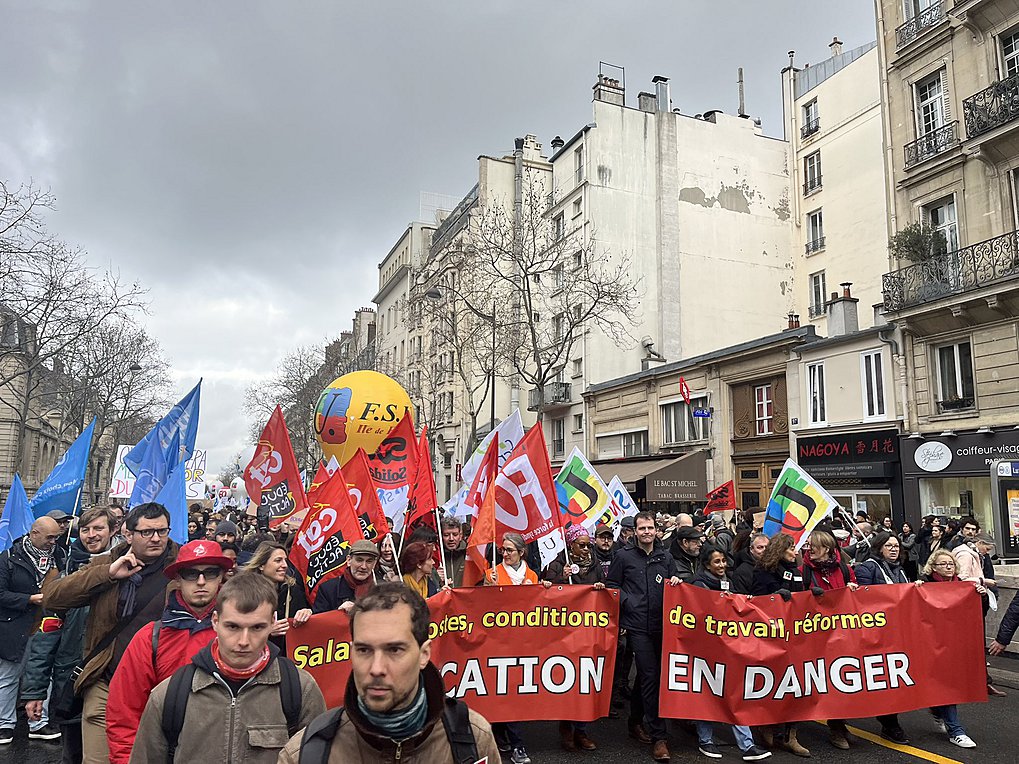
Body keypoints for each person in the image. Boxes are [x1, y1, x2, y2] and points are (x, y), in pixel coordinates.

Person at [278, 581, 500, 763]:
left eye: (394, 650)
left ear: (424, 654)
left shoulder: (472, 738)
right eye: (364, 650)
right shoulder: (305, 754)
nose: (376, 669)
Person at [129, 572, 325, 762]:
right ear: (215, 621)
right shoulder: (170, 694)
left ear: (273, 623)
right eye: (233, 627)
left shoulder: (300, 689)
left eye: (257, 627)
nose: (243, 641)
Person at [43, 503, 179, 764]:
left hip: (162, 686)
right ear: (129, 534)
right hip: (107, 679)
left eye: (162, 531)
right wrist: (108, 574)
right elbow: (53, 597)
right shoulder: (107, 562)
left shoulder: (184, 568)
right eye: (147, 532)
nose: (156, 538)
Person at [105, 540, 234, 762]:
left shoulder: (243, 632)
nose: (201, 581)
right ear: (178, 578)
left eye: (210, 572)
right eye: (190, 574)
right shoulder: (150, 637)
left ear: (222, 576)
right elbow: (124, 713)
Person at [22, 507, 115, 761]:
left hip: (111, 683)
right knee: (73, 754)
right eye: (86, 530)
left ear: (113, 531)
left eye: (99, 528)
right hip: (71, 682)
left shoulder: (128, 576)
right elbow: (46, 637)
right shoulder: (65, 578)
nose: (92, 535)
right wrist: (35, 692)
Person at [606, 511, 680, 762]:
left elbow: (673, 584)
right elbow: (612, 585)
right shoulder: (623, 557)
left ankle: (634, 721)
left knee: (648, 677)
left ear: (656, 530)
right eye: (642, 528)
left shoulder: (666, 557)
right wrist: (629, 604)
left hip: (662, 626)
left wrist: (678, 584)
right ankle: (659, 736)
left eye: (650, 528)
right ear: (634, 531)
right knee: (649, 676)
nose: (647, 532)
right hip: (637, 626)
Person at [691, 546, 771, 762]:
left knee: (735, 693)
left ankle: (747, 744)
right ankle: (705, 739)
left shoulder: (730, 581)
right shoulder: (699, 585)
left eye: (723, 561)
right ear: (707, 564)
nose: (722, 566)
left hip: (730, 646)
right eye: (716, 562)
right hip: (707, 649)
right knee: (706, 694)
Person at [0, 516, 63, 745]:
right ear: (34, 533)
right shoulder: (8, 558)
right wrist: (29, 599)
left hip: (46, 627)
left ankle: (38, 723)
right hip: (14, 628)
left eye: (56, 537)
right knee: (9, 677)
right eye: (49, 537)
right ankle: (5, 725)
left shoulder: (58, 556)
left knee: (43, 676)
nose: (53, 542)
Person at [542, 525, 606, 752]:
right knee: (568, 679)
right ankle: (566, 729)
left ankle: (582, 731)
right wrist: (561, 577)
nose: (586, 548)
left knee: (585, 680)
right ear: (570, 544)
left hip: (587, 630)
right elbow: (548, 590)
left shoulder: (595, 563)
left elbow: (603, 588)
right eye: (582, 545)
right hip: (565, 631)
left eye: (588, 544)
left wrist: (600, 587)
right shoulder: (558, 564)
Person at [750, 534, 809, 757]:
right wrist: (774, 597)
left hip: (794, 635)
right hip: (771, 635)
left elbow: (800, 597)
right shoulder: (763, 571)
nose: (795, 551)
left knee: (794, 685)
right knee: (772, 683)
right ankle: (766, 727)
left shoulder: (795, 571)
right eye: (791, 547)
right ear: (780, 549)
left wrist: (810, 596)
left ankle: (790, 736)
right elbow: (757, 600)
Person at [853, 531, 915, 743]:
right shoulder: (867, 568)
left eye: (896, 545)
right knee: (885, 677)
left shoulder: (901, 570)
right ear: (879, 547)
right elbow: (862, 599)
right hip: (877, 632)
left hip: (899, 631)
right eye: (889, 545)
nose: (894, 549)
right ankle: (890, 724)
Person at [800, 530, 858, 750]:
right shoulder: (803, 570)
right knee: (826, 680)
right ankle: (835, 728)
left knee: (841, 679)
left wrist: (852, 590)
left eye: (813, 545)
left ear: (825, 548)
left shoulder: (844, 569)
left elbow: (859, 593)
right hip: (816, 633)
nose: (809, 548)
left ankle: (840, 724)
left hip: (842, 632)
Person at [917, 550, 980, 747]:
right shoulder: (925, 585)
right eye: (943, 564)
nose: (948, 566)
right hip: (931, 642)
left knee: (948, 684)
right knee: (944, 684)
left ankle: (941, 715)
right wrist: (917, 591)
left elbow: (978, 612)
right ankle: (955, 729)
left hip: (955, 643)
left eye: (951, 563)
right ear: (933, 567)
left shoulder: (964, 586)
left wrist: (981, 596)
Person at [484, 533, 537, 762]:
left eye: (509, 550)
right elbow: (482, 609)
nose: (504, 554)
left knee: (513, 692)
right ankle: (511, 741)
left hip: (523, 642)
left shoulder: (532, 575)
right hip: (498, 642)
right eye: (502, 550)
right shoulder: (492, 574)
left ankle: (509, 738)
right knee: (502, 690)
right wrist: (487, 587)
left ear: (521, 553)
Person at [242, 541, 312, 650]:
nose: (284, 565)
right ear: (261, 565)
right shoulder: (245, 592)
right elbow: (238, 628)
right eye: (278, 560)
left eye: (285, 560)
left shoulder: (292, 590)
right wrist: (266, 632)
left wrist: (307, 613)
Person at [312, 540, 381, 614]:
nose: (364, 566)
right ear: (349, 560)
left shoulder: (383, 588)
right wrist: (338, 612)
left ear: (374, 564)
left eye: (369, 561)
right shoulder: (328, 589)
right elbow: (319, 621)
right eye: (359, 560)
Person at [439, 517, 467, 587]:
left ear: (460, 536)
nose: (451, 539)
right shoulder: (435, 556)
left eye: (455, 534)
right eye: (446, 535)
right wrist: (434, 577)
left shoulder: (469, 554)